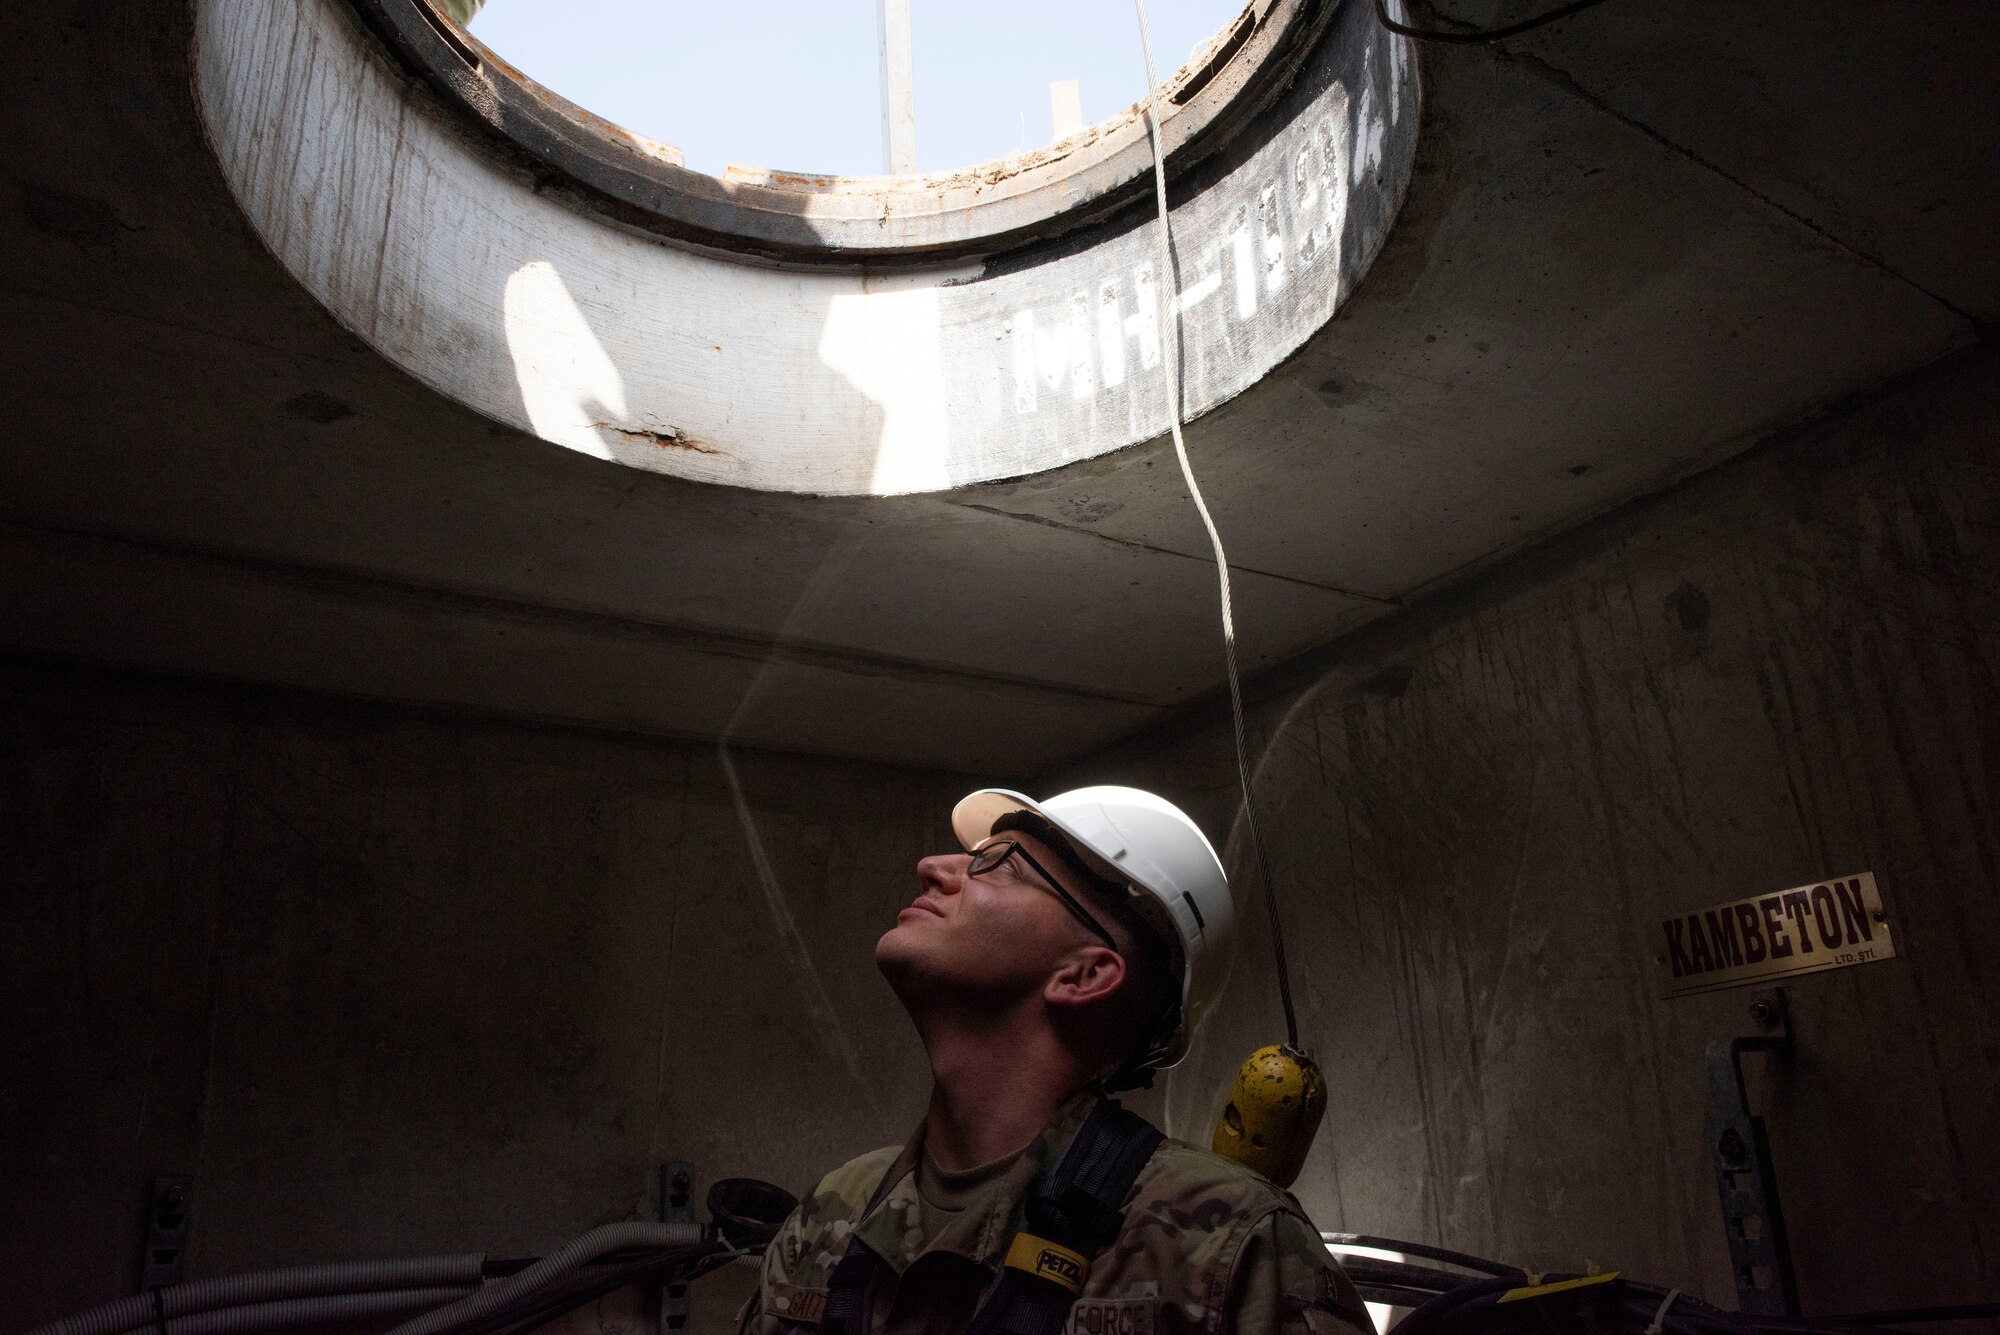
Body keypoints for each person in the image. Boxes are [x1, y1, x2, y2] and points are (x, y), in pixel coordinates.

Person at [740, 785, 1370, 1335]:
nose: (933, 867)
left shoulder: (1229, 1247)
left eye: (997, 866)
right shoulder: (834, 1212)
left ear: (1084, 973)